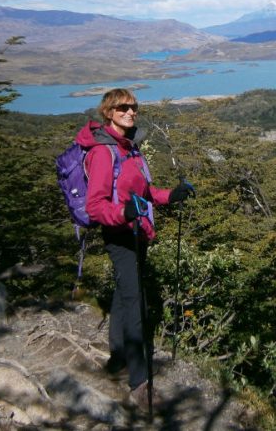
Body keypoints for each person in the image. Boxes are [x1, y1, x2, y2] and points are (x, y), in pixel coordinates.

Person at [75, 88, 195, 411]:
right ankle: (140, 383)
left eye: (133, 107)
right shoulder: (104, 153)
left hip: (137, 230)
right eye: (123, 107)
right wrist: (124, 214)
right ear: (109, 112)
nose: (130, 112)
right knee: (136, 302)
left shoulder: (131, 149)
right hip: (119, 235)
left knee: (122, 293)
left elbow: (145, 190)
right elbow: (95, 206)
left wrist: (172, 195)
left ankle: (117, 359)